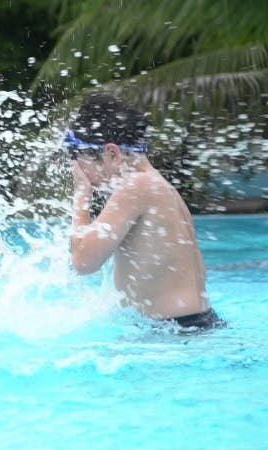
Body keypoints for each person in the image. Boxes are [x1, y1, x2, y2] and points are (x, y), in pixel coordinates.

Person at [67, 93, 223, 330]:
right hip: (194, 325)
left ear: (112, 154)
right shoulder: (160, 186)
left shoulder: (135, 186)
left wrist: (81, 194)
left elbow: (83, 262)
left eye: (80, 161)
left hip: (173, 335)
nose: (80, 172)